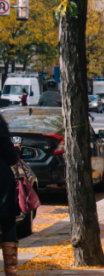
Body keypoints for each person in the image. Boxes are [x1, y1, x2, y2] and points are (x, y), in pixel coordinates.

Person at [0, 114, 20, 276]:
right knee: (7, 224)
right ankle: (10, 270)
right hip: (1, 180)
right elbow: (10, 156)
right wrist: (15, 151)